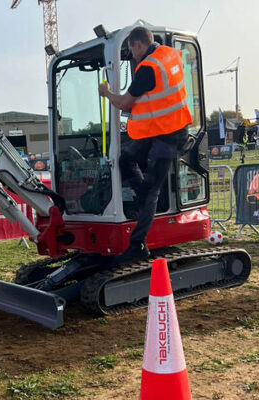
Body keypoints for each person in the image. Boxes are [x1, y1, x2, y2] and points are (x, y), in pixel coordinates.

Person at [98, 26, 192, 260]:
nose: (133, 56)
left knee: (151, 190)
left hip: (168, 137)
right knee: (126, 158)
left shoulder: (148, 68)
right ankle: (143, 200)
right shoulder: (169, 55)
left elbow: (124, 104)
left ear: (138, 45)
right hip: (162, 130)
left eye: (131, 51)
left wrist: (107, 93)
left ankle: (138, 246)